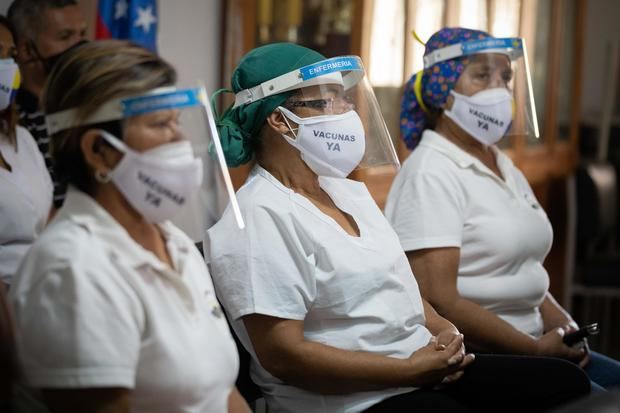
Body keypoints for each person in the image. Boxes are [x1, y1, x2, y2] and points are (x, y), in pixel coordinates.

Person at [206, 42, 590, 413]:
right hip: (354, 399)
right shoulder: (257, 218)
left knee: (566, 384)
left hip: (418, 369)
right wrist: (408, 370)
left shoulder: (346, 193)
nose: (346, 112)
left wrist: (443, 330)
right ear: (278, 120)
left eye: (344, 98)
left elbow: (399, 285)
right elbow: (285, 356)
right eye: (326, 101)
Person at [9, 40, 250, 413]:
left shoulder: (175, 242)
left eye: (177, 121)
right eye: (159, 124)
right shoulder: (72, 269)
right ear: (97, 151)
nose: (181, 139)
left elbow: (221, 394)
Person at [385, 27, 620, 391]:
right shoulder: (430, 173)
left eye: (505, 77)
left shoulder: (500, 162)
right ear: (442, 92)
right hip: (481, 357)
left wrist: (564, 324)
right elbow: (439, 299)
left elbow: (521, 267)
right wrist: (534, 350)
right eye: (482, 75)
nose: (499, 89)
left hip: (537, 343)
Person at [8, 0, 87, 208]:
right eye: (65, 36)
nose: (79, 46)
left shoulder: (87, 105)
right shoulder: (11, 118)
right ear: (26, 50)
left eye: (82, 34)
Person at [0, 15, 52, 291]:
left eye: (11, 55)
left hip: (42, 286)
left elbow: (49, 215)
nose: (8, 67)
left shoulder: (22, 139)